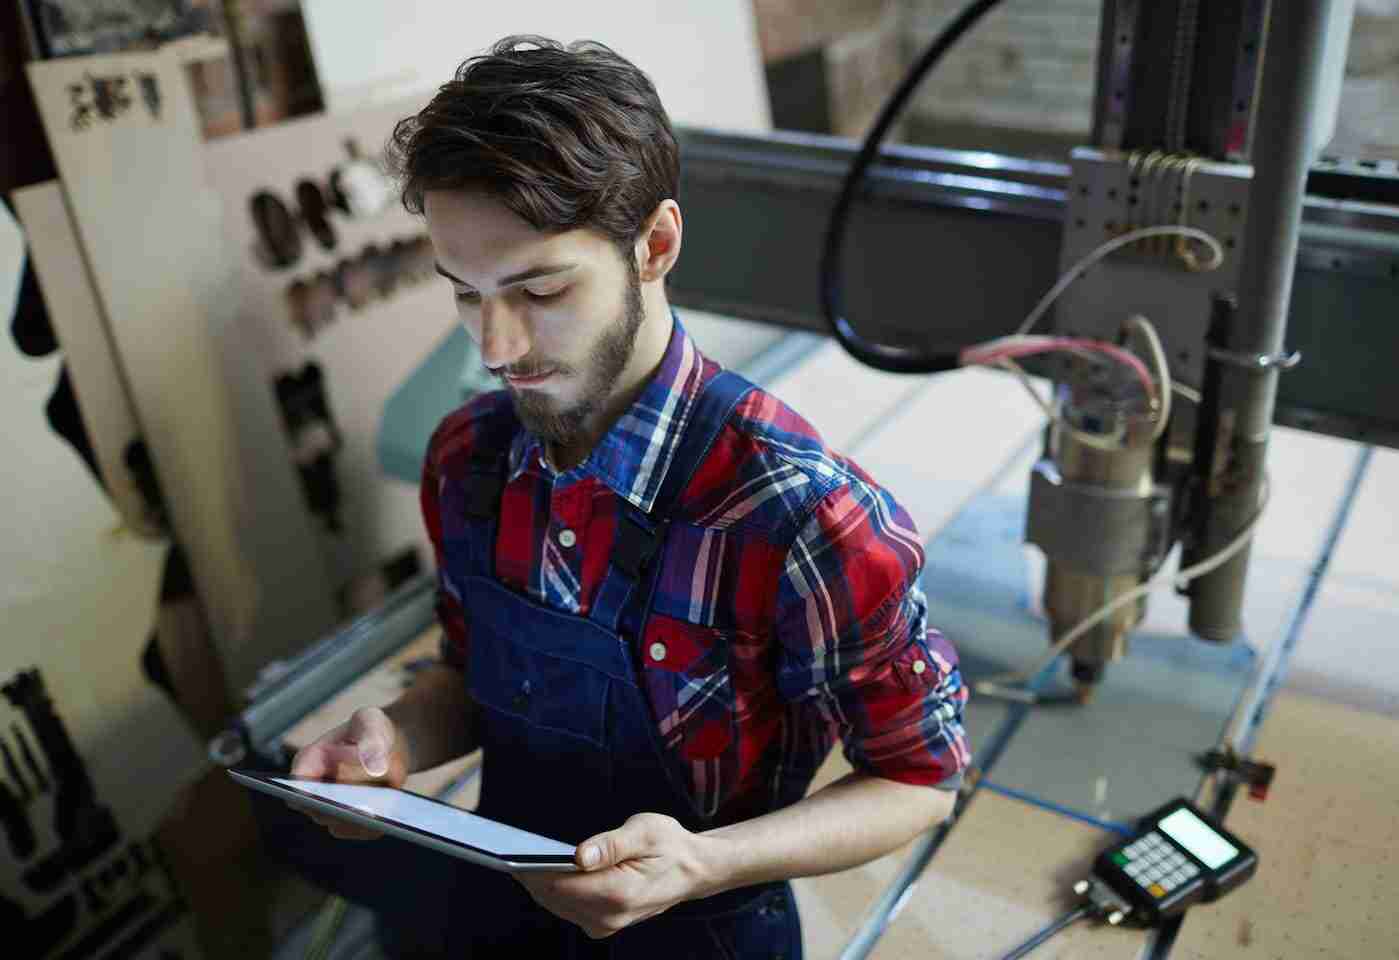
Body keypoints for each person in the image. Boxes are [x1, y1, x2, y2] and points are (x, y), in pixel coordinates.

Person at [289, 35, 971, 958]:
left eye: (538, 289)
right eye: (464, 293)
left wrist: (702, 862)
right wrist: (391, 747)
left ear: (653, 245)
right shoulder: (468, 460)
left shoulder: (800, 514)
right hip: (501, 920)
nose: (494, 347)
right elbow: (468, 679)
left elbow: (920, 781)